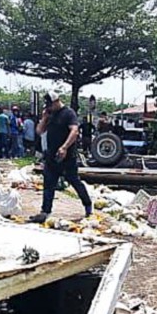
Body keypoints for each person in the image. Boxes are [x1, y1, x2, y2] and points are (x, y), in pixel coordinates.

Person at [29, 93, 92, 222]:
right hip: (52, 156)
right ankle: (45, 212)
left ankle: (87, 205)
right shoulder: (50, 114)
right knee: (49, 184)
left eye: (51, 105)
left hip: (67, 156)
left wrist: (64, 147)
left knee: (74, 181)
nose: (49, 107)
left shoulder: (68, 113)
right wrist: (45, 117)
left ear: (57, 101)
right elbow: (39, 131)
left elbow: (74, 131)